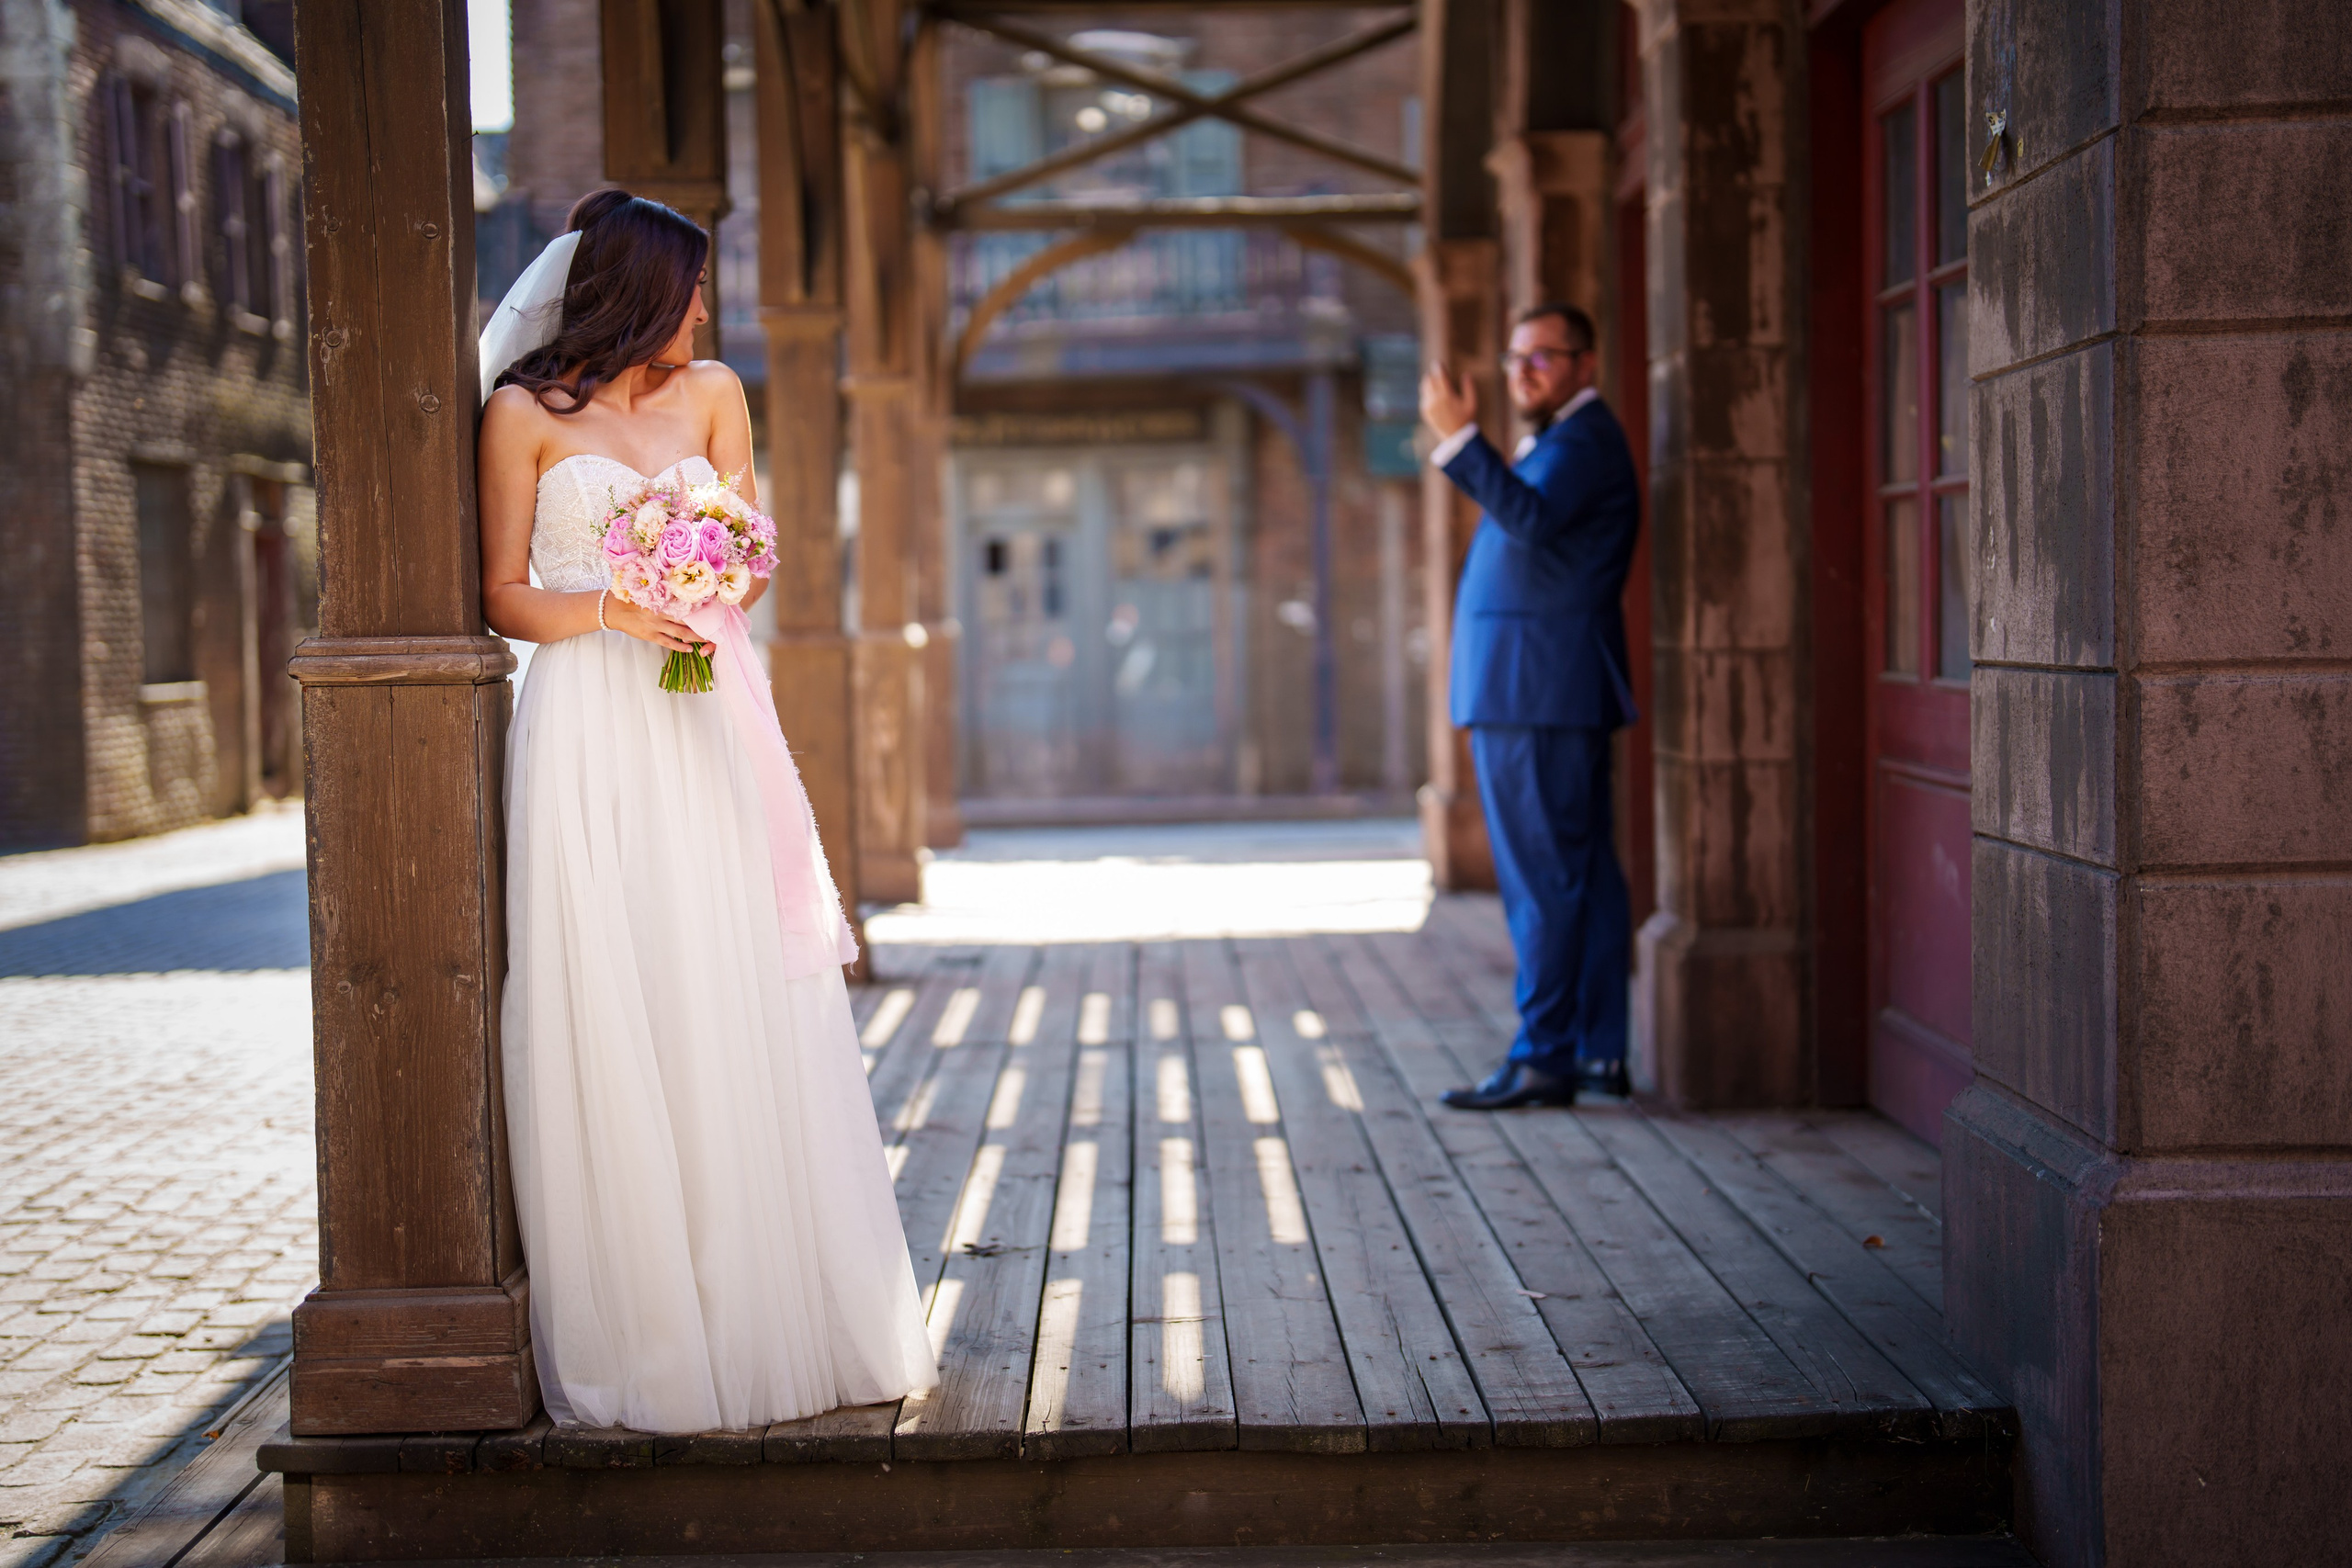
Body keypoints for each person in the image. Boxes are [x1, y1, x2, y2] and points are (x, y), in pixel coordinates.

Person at [476, 189, 936, 1432]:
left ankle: (763, 1297)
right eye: (689, 288)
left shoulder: (719, 393)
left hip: (696, 701)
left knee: (721, 967)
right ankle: (650, 1321)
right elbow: (506, 592)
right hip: (585, 718)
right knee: (615, 973)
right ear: (631, 289)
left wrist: (709, 577)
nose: (705, 309)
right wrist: (620, 606)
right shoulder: (520, 414)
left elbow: (743, 538)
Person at [1419, 302, 1641, 1110]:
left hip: (1538, 691)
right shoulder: (1563, 440)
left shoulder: (1583, 441)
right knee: (1579, 872)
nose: (1524, 372)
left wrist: (1456, 441)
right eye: (1516, 359)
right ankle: (1595, 1050)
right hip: (1540, 687)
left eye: (1543, 357)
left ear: (1587, 362)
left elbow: (1532, 520)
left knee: (1542, 877)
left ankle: (1545, 1054)